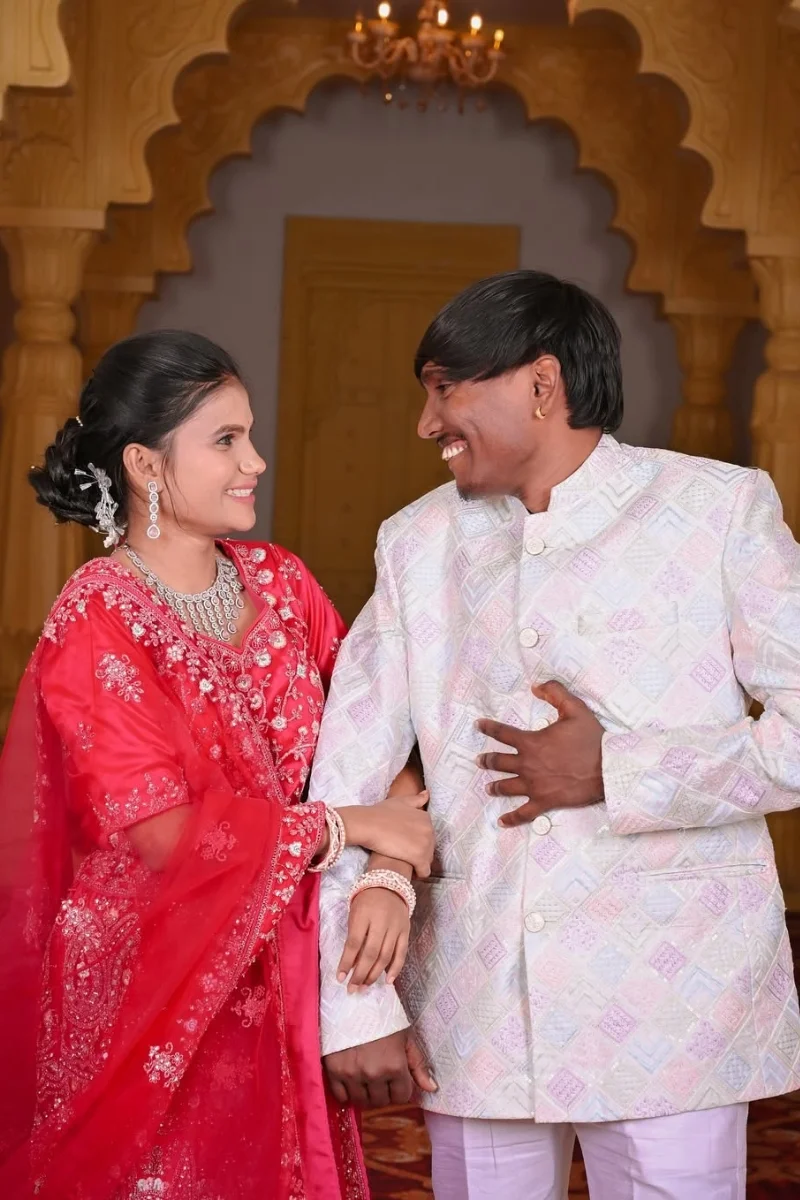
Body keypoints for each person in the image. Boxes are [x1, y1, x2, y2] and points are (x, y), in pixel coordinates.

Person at [309, 270, 800, 1200]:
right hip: (479, 997)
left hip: (676, 1006)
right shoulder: (417, 544)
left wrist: (617, 769)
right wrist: (354, 1004)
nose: (426, 423)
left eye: (444, 389)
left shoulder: (716, 510)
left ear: (542, 384)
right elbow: (345, 782)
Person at [0, 330, 435, 1200]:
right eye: (226, 440)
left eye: (251, 435)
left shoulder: (283, 584)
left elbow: (384, 739)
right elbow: (160, 834)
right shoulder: (97, 618)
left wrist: (389, 873)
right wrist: (349, 827)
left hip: (286, 963)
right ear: (145, 465)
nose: (256, 462)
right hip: (152, 983)